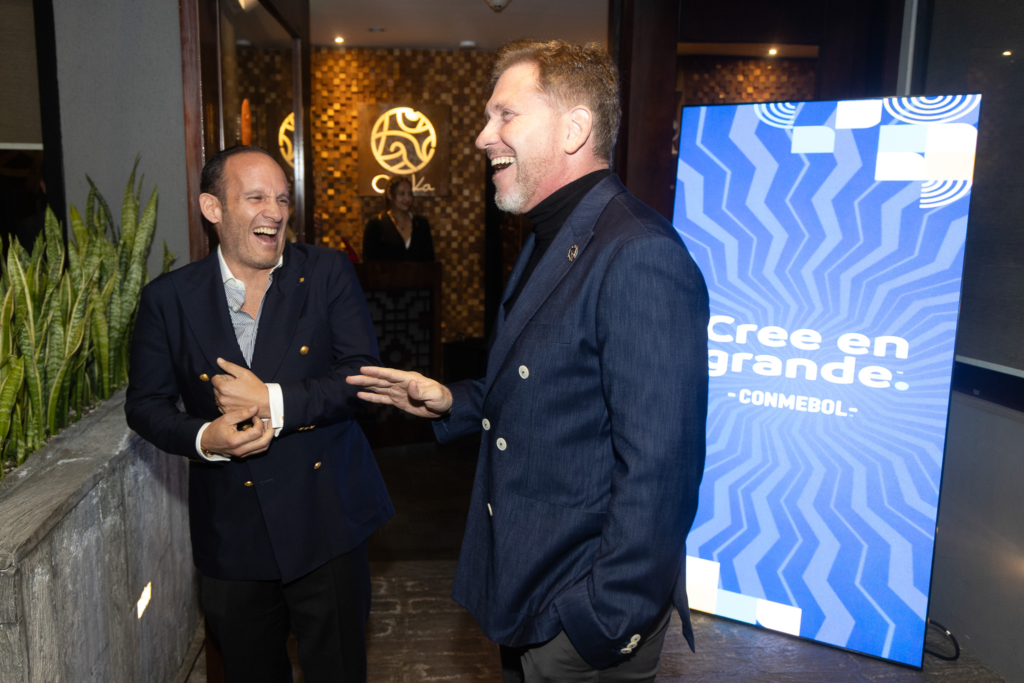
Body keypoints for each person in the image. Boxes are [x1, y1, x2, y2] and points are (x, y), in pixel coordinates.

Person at [348, 40, 709, 682]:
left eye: (505, 115)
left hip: (582, 619)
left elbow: (661, 470)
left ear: (574, 129)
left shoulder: (639, 254)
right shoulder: (553, 236)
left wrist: (601, 623)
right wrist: (453, 401)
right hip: (528, 589)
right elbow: (547, 387)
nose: (483, 136)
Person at [125, 145, 392, 683]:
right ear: (213, 208)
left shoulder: (326, 273)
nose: (275, 212)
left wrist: (271, 400)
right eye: (255, 198)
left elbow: (361, 378)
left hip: (326, 520)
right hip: (233, 532)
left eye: (282, 199)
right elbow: (145, 406)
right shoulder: (168, 299)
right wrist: (206, 438)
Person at [362, 175, 435, 261]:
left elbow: (429, 260)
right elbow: (368, 261)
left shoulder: (421, 223)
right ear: (390, 195)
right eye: (402, 194)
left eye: (410, 194)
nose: (407, 198)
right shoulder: (376, 224)